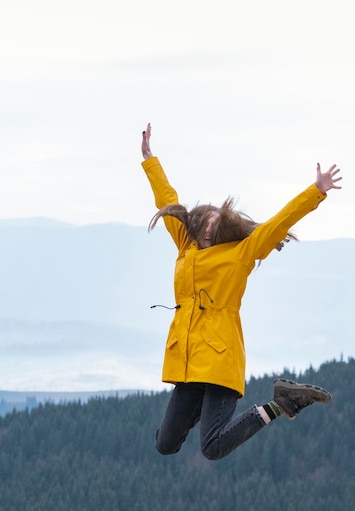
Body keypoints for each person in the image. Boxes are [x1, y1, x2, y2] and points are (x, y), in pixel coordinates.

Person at [141, 123, 342, 461]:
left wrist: (316, 191)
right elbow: (168, 201)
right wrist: (150, 160)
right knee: (165, 443)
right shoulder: (185, 247)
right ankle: (205, 412)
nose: (207, 226)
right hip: (189, 365)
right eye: (205, 221)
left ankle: (282, 402)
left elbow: (277, 223)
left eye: (214, 224)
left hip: (219, 360)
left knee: (213, 448)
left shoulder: (239, 255)